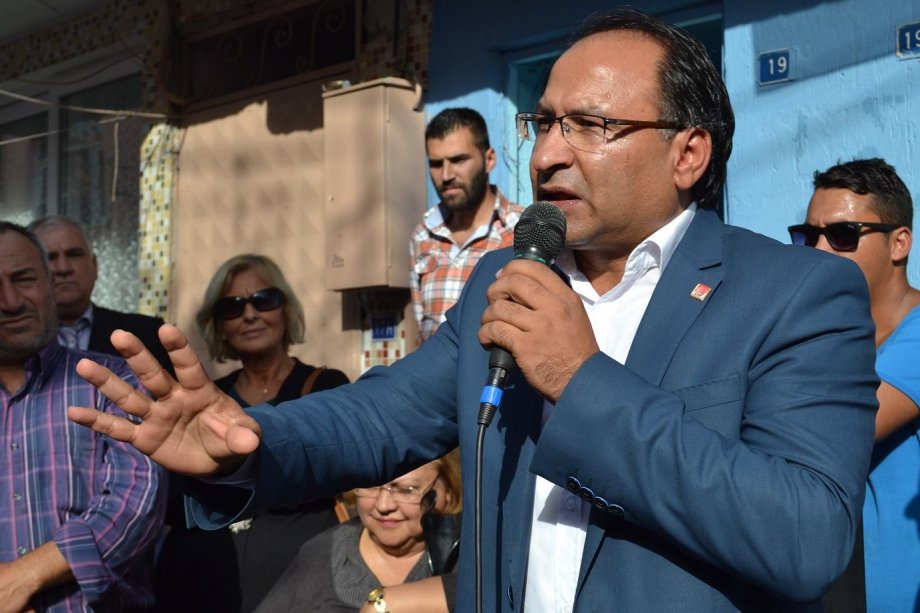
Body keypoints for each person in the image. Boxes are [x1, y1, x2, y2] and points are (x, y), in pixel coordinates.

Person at [68, 9, 880, 612]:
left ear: (687, 152)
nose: (548, 153)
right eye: (544, 122)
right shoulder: (511, 275)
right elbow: (382, 416)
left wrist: (581, 379)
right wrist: (244, 441)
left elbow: (805, 537)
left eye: (589, 125)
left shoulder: (797, 294)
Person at [154, 254, 350, 613]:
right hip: (206, 584)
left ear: (285, 309)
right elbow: (179, 499)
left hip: (299, 582)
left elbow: (338, 470)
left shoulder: (326, 385)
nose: (249, 314)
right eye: (232, 306)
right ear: (219, 325)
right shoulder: (207, 398)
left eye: (264, 300)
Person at [0, 221, 164, 612]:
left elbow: (135, 502)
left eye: (24, 279)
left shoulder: (112, 380)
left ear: (50, 285)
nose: (10, 301)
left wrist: (21, 577)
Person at [790, 158, 920, 612]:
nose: (819, 250)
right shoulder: (834, 340)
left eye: (843, 235)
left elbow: (833, 434)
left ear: (899, 242)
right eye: (808, 236)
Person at [256, 451, 462, 612]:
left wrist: (392, 603)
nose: (383, 505)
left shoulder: (470, 554)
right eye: (371, 486)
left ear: (449, 490)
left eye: (406, 490)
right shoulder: (324, 554)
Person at [410, 108, 525, 342]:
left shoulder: (523, 230)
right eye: (436, 164)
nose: (446, 175)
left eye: (458, 160)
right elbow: (422, 329)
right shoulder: (423, 236)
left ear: (489, 160)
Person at [27, 215, 173, 374]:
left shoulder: (146, 334)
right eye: (50, 257)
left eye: (74, 254)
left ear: (95, 266)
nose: (63, 268)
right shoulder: (14, 343)